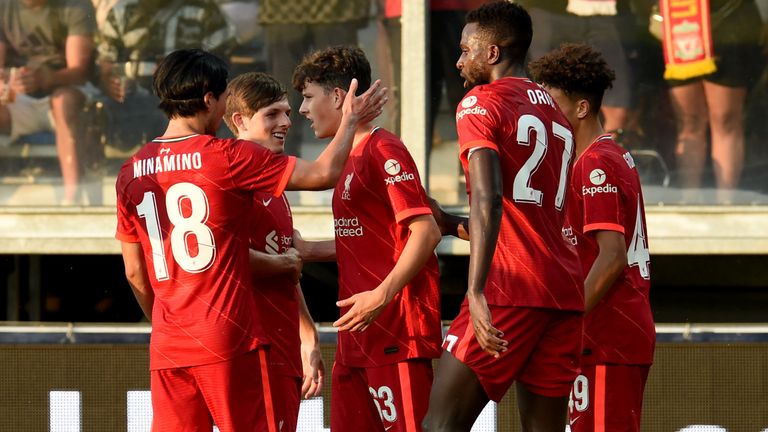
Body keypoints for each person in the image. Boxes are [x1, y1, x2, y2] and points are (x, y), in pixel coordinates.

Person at [115, 48, 385, 430]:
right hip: (229, 339)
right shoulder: (226, 156)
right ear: (209, 99)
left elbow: (135, 274)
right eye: (223, 95)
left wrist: (169, 323)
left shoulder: (131, 171)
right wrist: (351, 119)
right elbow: (323, 174)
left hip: (168, 347)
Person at [422, 2, 584, 431]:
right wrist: (450, 223)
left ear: (492, 54)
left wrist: (474, 291)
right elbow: (525, 217)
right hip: (563, 292)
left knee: (440, 426)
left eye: (465, 50)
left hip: (510, 287)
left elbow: (490, 199)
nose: (458, 61)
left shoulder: (480, 102)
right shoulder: (555, 112)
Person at [292, 45, 443, 432]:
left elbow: (426, 231)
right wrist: (312, 250)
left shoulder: (383, 148)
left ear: (339, 96)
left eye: (309, 97)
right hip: (356, 337)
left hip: (397, 331)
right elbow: (374, 238)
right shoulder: (342, 159)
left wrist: (382, 295)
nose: (303, 110)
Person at [528, 42, 655, 432]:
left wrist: (565, 320)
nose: (543, 117)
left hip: (608, 338)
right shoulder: (587, 161)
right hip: (598, 338)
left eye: (552, 106)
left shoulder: (596, 164)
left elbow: (612, 256)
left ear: (581, 108)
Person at [223, 71, 325, 432]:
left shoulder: (272, 180)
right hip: (253, 348)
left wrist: (307, 334)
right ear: (239, 121)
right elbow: (221, 259)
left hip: (281, 345)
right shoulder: (230, 181)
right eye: (271, 114)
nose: (285, 121)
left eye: (285, 112)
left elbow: (286, 266)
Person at [94, 0, 236, 151]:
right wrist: (108, 81)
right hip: (132, 98)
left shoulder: (203, 9)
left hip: (187, 99)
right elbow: (105, 60)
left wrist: (180, 74)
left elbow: (221, 64)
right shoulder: (121, 11)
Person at [0, 0, 97, 205]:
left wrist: (46, 78)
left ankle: (73, 199)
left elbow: (79, 72)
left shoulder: (76, 5)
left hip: (68, 92)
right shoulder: (4, 7)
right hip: (20, 100)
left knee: (64, 102)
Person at [664, 0, 763, 194]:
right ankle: (687, 201)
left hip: (729, 20)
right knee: (689, 122)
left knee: (725, 119)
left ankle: (726, 202)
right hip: (679, 21)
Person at [259, 0, 371, 156]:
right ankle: (282, 170)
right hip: (283, 11)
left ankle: (353, 165)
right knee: (282, 94)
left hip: (336, 10)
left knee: (342, 90)